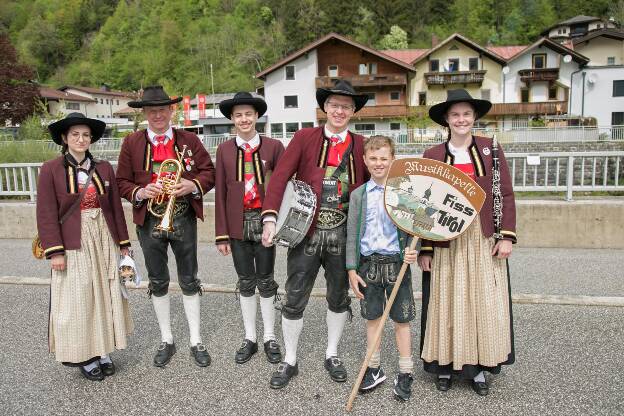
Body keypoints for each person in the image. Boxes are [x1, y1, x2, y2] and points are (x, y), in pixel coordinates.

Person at [261, 80, 370, 389]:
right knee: (294, 298)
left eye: (346, 107)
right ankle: (290, 359)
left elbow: (372, 188)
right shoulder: (304, 137)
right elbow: (280, 178)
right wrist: (270, 218)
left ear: (353, 112)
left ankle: (332, 354)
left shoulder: (362, 145)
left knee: (339, 297)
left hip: (344, 236)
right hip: (306, 233)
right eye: (334, 105)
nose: (339, 111)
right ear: (325, 108)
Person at [417, 89, 517, 396]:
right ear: (446, 120)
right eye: (455, 115)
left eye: (466, 114)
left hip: (482, 237)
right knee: (445, 303)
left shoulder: (491, 149)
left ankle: (478, 369)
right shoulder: (433, 155)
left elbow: (505, 194)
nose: (461, 119)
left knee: (480, 303)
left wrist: (507, 236)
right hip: (446, 239)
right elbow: (425, 203)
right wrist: (427, 247)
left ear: (474, 118)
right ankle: (444, 366)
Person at [116, 86, 215, 368]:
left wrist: (192, 185)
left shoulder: (189, 140)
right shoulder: (131, 143)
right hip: (148, 221)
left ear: (172, 111)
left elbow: (210, 172)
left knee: (188, 278)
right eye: (151, 110)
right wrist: (139, 191)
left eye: (162, 109)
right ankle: (167, 339)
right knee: (157, 281)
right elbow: (121, 181)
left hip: (182, 216)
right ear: (145, 114)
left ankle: (196, 340)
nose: (157, 115)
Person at [37, 113, 133, 381]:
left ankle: (103, 350)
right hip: (72, 240)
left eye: (86, 135)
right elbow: (45, 212)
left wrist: (124, 245)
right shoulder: (51, 169)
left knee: (105, 291)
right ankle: (85, 355)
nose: (81, 139)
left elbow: (114, 208)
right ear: (65, 139)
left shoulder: (103, 168)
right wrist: (55, 250)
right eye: (75, 134)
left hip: (102, 235)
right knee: (80, 298)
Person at [346, 136, 418, 401]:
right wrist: (351, 269)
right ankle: (374, 368)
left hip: (397, 265)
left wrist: (413, 249)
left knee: (401, 319)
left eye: (384, 158)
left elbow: (416, 226)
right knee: (373, 318)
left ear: (393, 160)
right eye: (373, 158)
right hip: (368, 266)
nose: (378, 163)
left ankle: (405, 371)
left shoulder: (403, 191)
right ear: (365, 161)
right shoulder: (358, 195)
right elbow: (352, 233)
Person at [215, 92, 284, 364]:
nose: (244, 119)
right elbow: (220, 192)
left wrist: (277, 221)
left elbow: (284, 186)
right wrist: (221, 234)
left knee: (266, 281)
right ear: (232, 119)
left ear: (257, 116)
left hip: (265, 220)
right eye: (238, 115)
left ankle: (269, 337)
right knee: (245, 282)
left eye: (248, 114)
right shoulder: (223, 150)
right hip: (237, 223)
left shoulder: (274, 147)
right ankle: (250, 337)